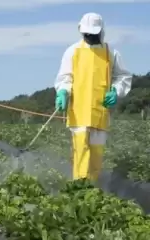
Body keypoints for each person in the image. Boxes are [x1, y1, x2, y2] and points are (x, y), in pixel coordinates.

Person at [54, 13, 131, 183]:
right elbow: (65, 78)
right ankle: (78, 188)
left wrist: (116, 91)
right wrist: (63, 92)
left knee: (96, 156)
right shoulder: (72, 51)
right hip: (78, 111)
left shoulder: (111, 52)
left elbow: (123, 77)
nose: (91, 37)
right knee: (80, 152)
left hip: (100, 111)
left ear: (101, 31)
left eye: (94, 34)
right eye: (88, 34)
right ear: (82, 31)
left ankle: (92, 191)